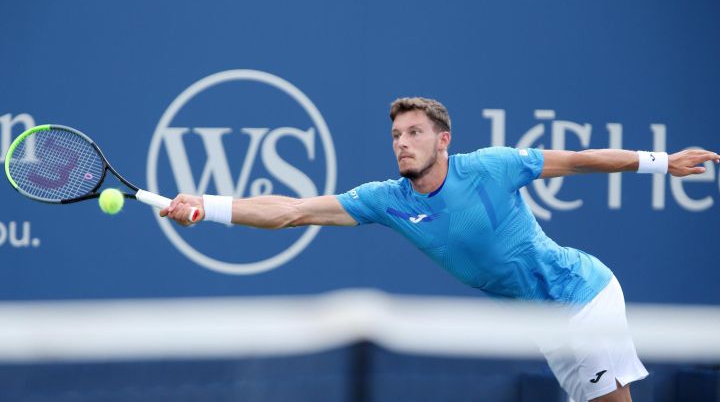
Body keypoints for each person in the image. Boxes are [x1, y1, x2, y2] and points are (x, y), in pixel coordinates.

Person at [161, 97, 719, 402]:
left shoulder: (492, 167)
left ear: (443, 139)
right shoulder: (386, 200)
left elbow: (578, 160)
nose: (402, 143)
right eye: (396, 136)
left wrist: (661, 161)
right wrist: (206, 205)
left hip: (585, 295)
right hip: (550, 323)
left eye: (414, 133)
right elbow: (292, 211)